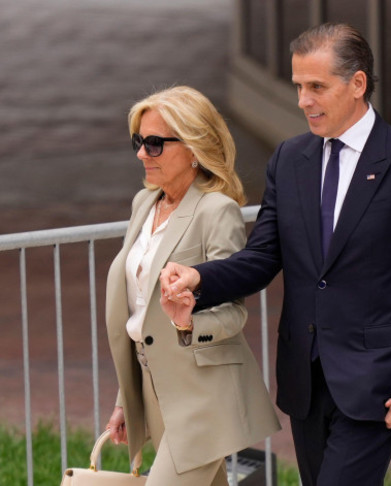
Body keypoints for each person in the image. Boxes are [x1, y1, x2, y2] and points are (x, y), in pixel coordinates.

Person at [159, 23, 391, 486]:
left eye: (316, 86)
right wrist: (200, 281)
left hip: (375, 381)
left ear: (357, 84)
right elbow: (262, 257)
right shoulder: (289, 159)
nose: (303, 100)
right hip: (305, 377)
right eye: (298, 86)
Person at [104, 86, 280, 486]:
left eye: (154, 143)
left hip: (203, 395)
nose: (141, 154)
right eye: (139, 142)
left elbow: (233, 310)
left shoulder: (216, 210)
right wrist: (124, 401)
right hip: (156, 390)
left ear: (195, 147)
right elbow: (139, 317)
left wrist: (187, 323)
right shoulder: (144, 203)